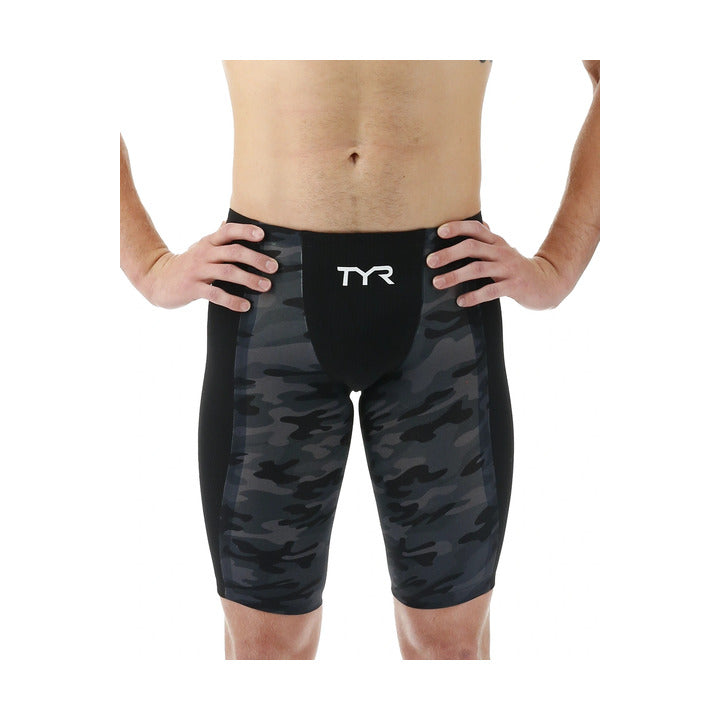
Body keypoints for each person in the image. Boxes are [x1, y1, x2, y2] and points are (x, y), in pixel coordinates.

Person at [120, 60, 600, 660]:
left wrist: (558, 266)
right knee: (266, 651)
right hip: (269, 294)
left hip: (444, 296)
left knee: (449, 648)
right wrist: (147, 264)